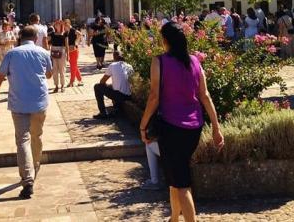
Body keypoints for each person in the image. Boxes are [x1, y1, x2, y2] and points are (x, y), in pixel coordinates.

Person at [139, 22, 224, 222]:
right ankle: (174, 218)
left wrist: (143, 125)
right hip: (194, 127)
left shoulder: (159, 62)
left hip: (172, 127)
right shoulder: (194, 61)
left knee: (182, 182)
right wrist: (216, 128)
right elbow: (205, 95)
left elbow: (154, 97)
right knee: (174, 175)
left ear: (165, 40)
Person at [0, 26, 53, 199]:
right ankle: (36, 165)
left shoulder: (11, 54)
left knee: (22, 140)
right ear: (35, 37)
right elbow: (49, 75)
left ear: (19, 36)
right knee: (37, 136)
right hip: (39, 101)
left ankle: (27, 179)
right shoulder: (43, 52)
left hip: (19, 102)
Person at [93, 50, 133, 119]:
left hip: (119, 96)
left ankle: (103, 113)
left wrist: (106, 85)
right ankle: (117, 108)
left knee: (97, 87)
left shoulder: (113, 65)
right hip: (128, 95)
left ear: (114, 58)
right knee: (113, 86)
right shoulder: (129, 66)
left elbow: (102, 81)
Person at [49, 19, 68, 93]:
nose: (57, 25)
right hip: (54, 51)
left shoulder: (65, 33)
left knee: (62, 69)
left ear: (61, 25)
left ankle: (63, 85)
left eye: (58, 24)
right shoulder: (52, 34)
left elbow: (66, 44)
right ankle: (56, 86)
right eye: (56, 24)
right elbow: (48, 42)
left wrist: (68, 54)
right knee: (55, 70)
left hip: (62, 50)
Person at [66, 19, 83, 87]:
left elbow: (80, 34)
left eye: (66, 23)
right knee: (74, 66)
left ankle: (71, 81)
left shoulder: (72, 30)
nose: (65, 25)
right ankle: (80, 80)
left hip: (74, 50)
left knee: (73, 66)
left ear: (69, 23)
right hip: (69, 50)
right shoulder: (67, 31)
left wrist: (76, 42)